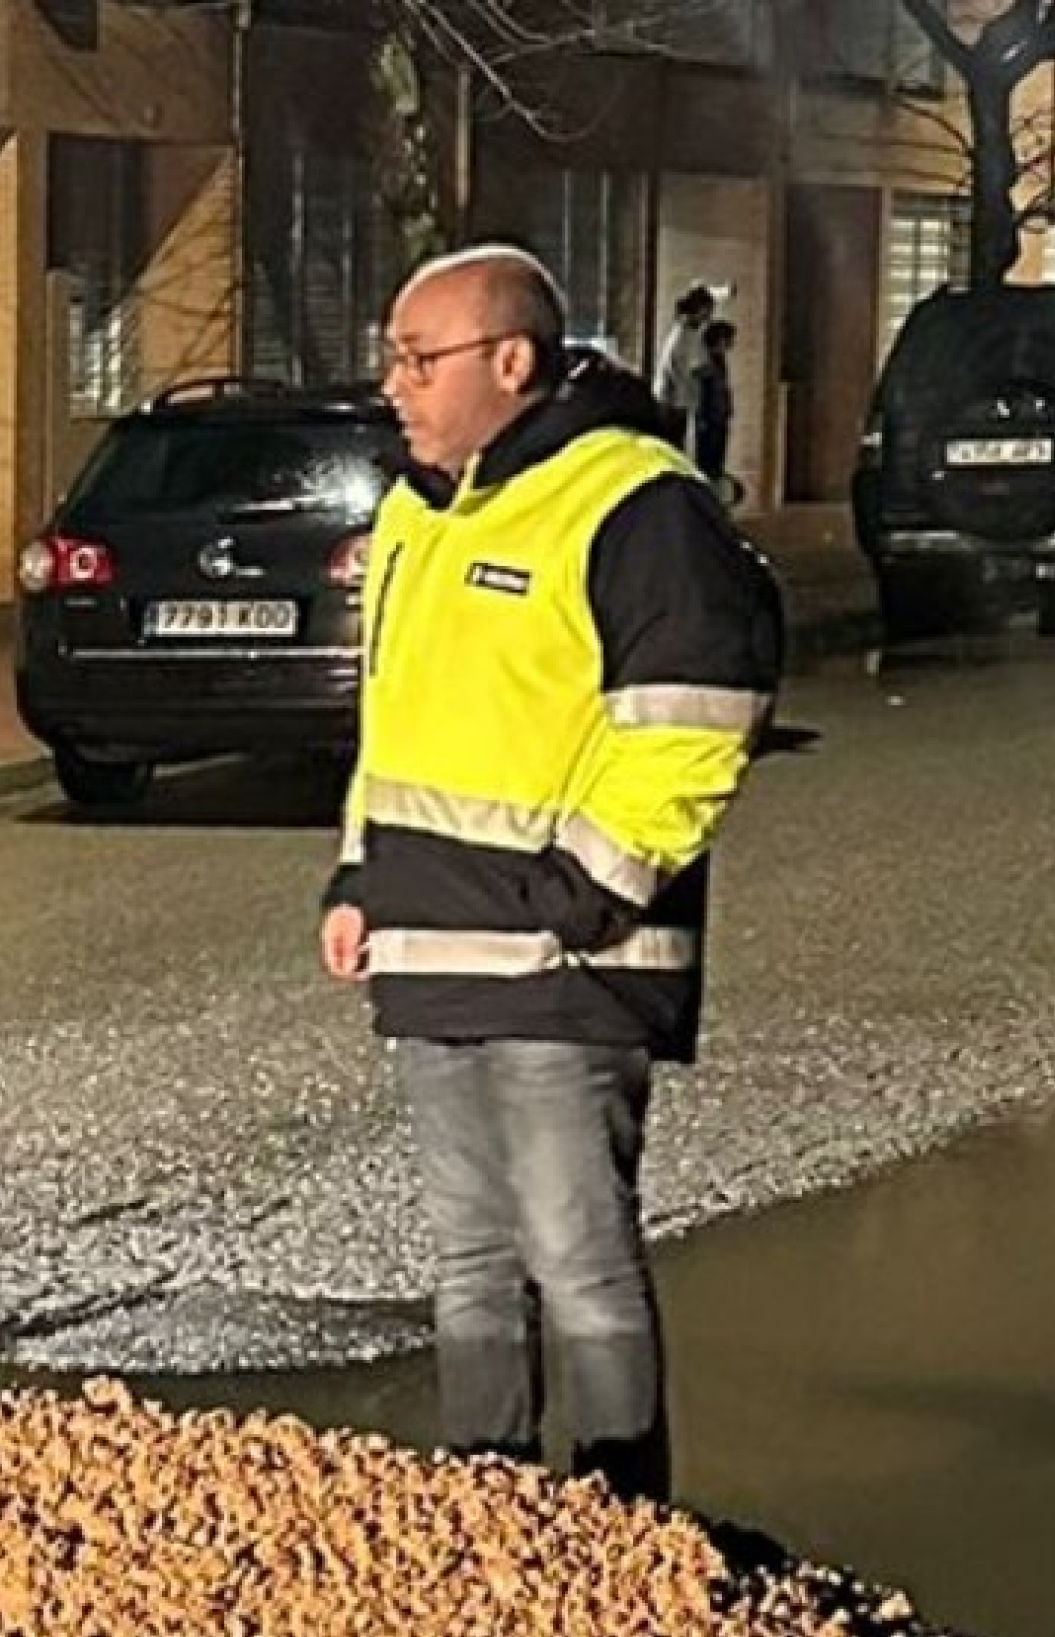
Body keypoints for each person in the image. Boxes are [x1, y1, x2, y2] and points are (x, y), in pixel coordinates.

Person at [320, 244, 783, 1504]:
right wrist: (359, 878)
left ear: (510, 360)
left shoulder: (634, 502)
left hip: (568, 960)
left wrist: (596, 885)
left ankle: (625, 1522)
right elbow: (400, 727)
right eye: (393, 359)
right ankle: (494, 1520)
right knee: (472, 1257)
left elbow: (696, 711)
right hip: (433, 948)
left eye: (420, 359)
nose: (395, 387)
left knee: (576, 1251)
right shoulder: (422, 509)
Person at [653, 283, 717, 444]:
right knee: (674, 444)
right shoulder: (688, 336)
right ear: (700, 309)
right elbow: (699, 368)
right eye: (708, 311)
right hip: (675, 401)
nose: (709, 317)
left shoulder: (679, 331)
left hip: (671, 399)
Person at [689, 320, 739, 491]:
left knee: (716, 461)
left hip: (718, 416)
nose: (731, 344)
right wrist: (702, 417)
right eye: (728, 340)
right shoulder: (706, 364)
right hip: (710, 418)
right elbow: (703, 393)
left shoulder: (719, 361)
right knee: (708, 461)